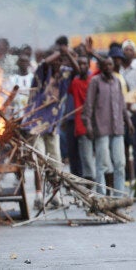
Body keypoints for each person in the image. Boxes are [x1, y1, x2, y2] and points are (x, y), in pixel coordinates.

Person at [23, 36, 80, 209]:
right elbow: (44, 63)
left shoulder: (65, 74)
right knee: (40, 159)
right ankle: (39, 196)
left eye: (61, 61)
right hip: (36, 124)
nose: (59, 63)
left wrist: (67, 54)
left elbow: (76, 69)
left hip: (53, 126)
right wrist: (57, 53)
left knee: (55, 162)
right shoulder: (42, 71)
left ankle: (55, 196)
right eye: (57, 60)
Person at [82, 57, 133, 196]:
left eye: (110, 64)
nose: (108, 67)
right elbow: (89, 105)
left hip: (117, 128)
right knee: (102, 164)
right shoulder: (95, 82)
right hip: (101, 128)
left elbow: (122, 104)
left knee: (120, 164)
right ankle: (101, 195)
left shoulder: (117, 81)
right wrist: (88, 126)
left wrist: (128, 121)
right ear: (101, 67)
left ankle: (118, 197)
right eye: (105, 65)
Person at [120, 40, 136, 181]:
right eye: (126, 49)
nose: (128, 52)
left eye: (130, 49)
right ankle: (127, 177)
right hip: (121, 115)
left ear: (134, 52)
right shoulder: (118, 71)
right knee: (123, 145)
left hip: (135, 113)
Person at [69, 55, 95, 183]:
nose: (81, 66)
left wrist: (92, 53)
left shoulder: (94, 80)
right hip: (82, 127)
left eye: (84, 64)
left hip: (98, 125)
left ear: (89, 65)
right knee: (87, 160)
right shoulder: (75, 82)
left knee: (102, 161)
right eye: (79, 64)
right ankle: (91, 190)